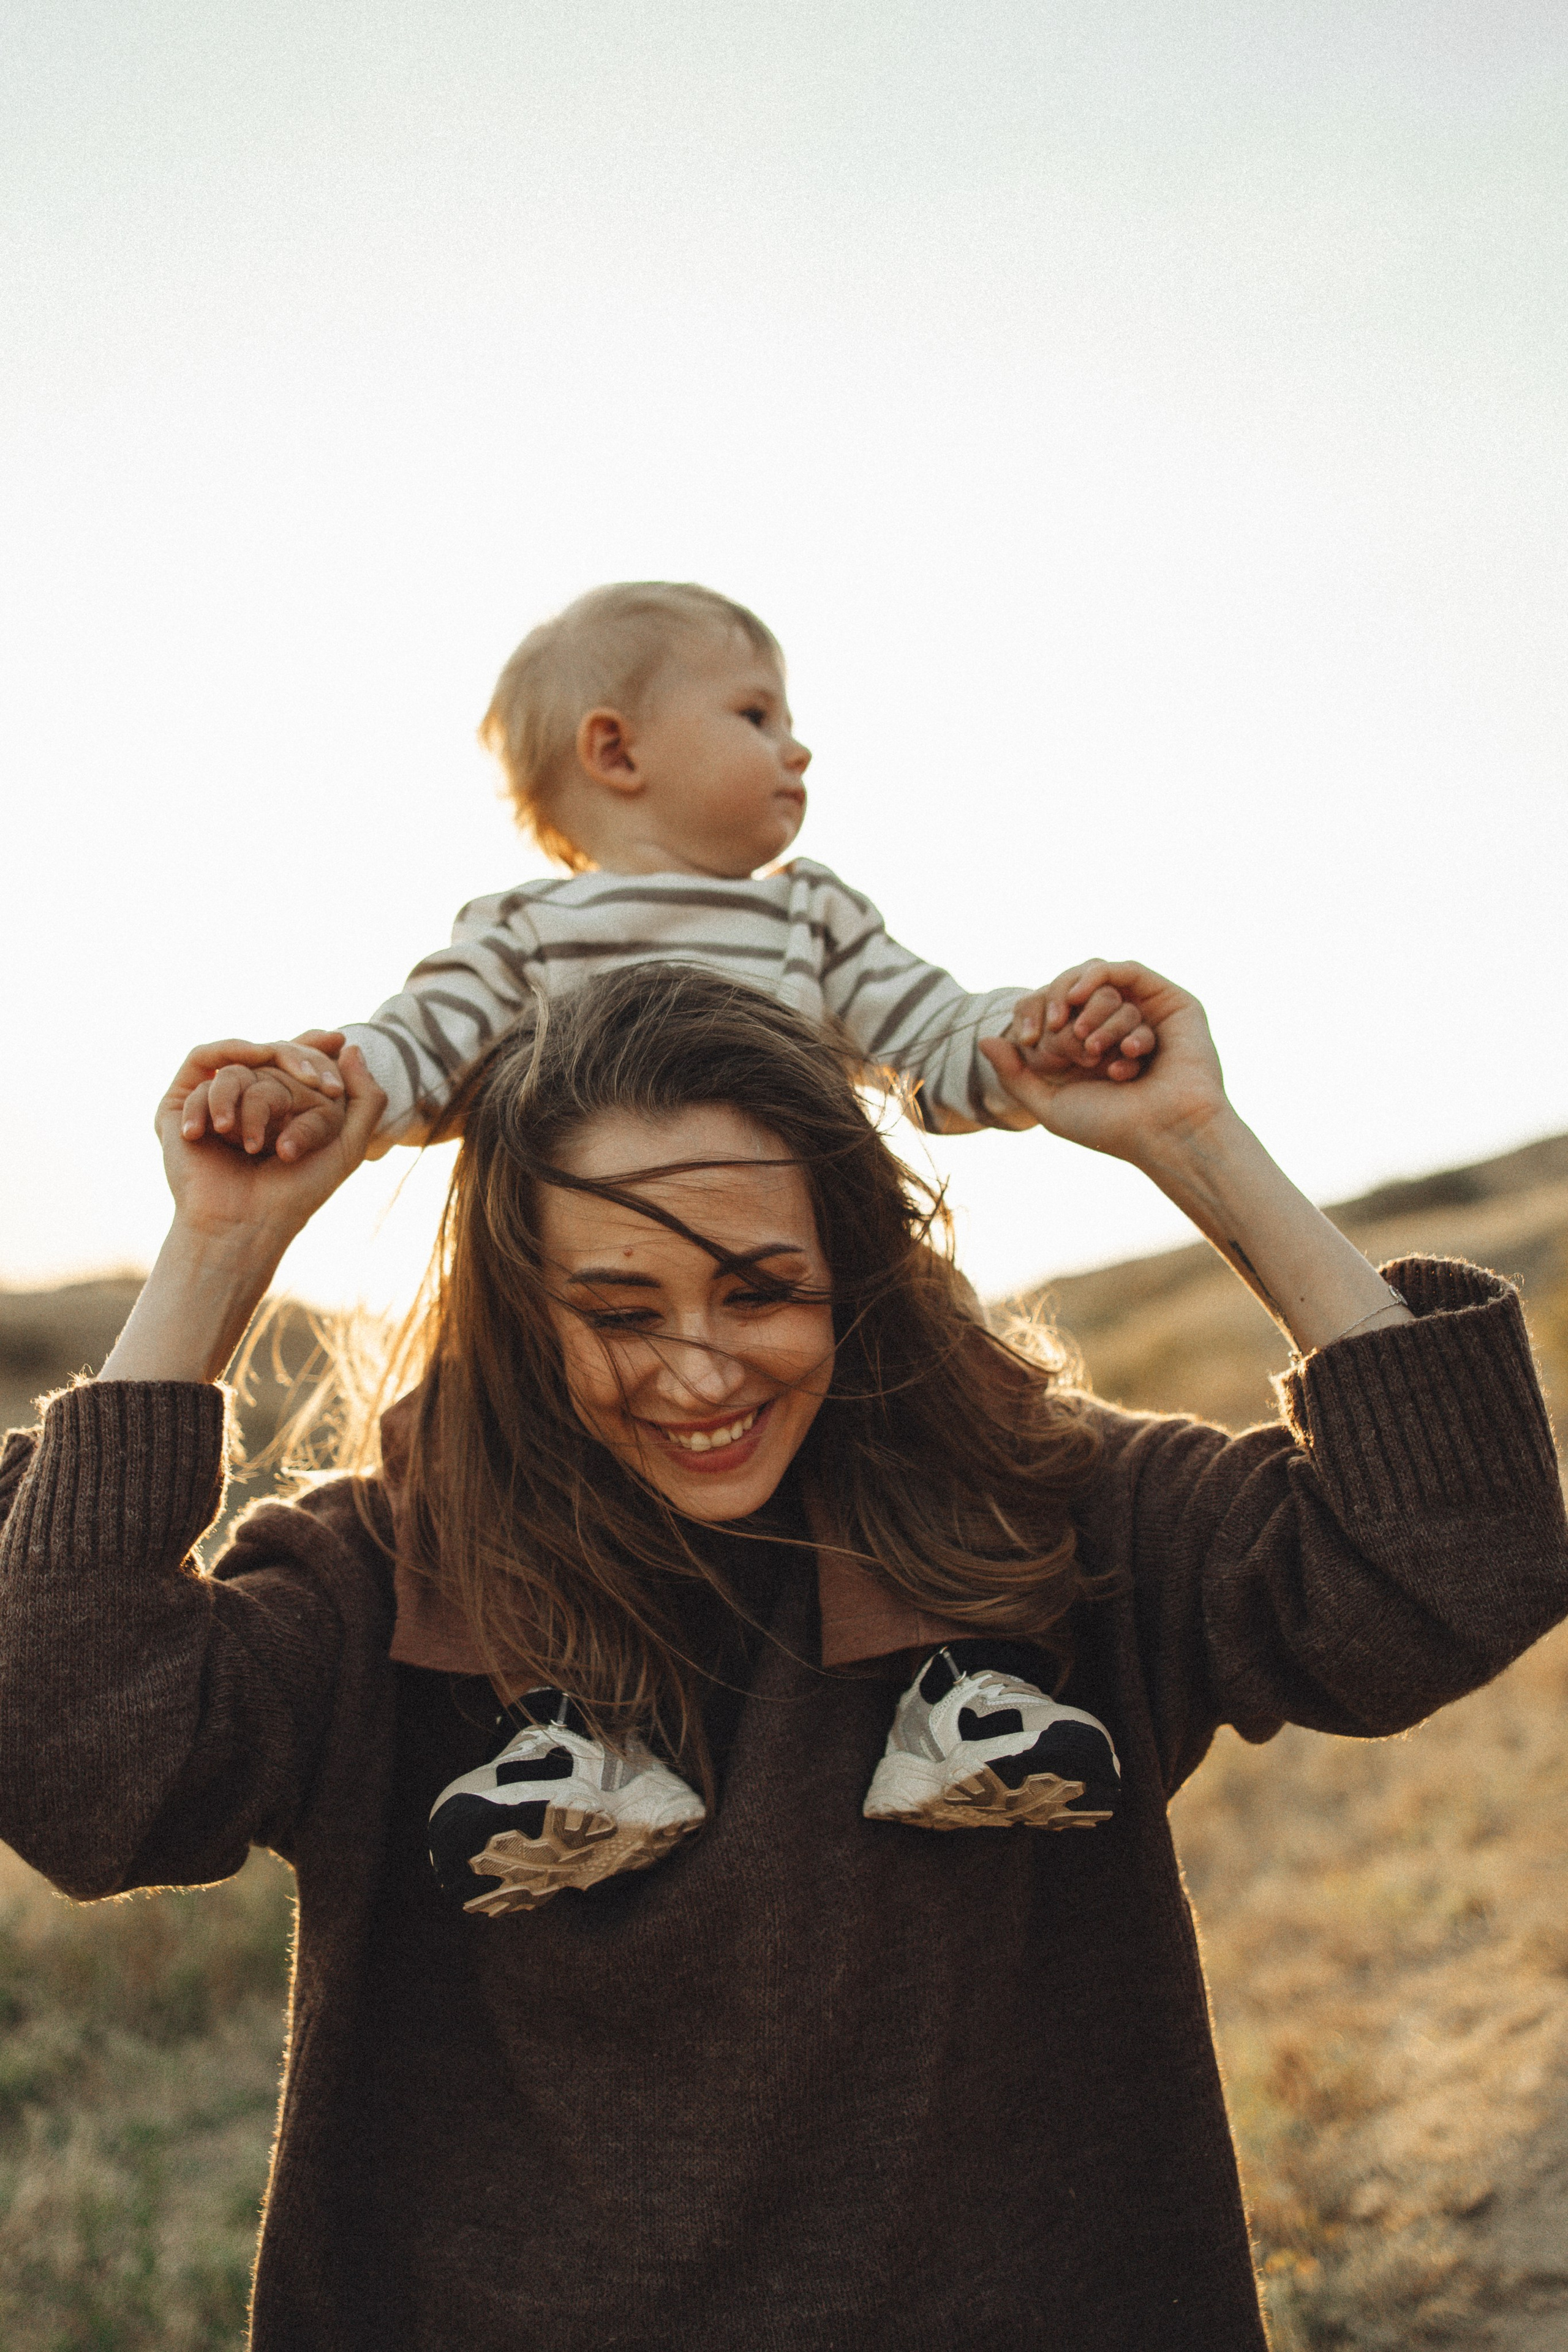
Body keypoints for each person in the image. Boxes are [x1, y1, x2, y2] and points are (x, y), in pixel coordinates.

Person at [1, 961, 1563, 2351]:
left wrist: (1193, 1146)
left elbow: (1450, 1568)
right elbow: (84, 1778)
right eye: (618, 1309)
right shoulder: (370, 1579)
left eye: (762, 1290)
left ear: (858, 1271)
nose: (697, 1371)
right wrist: (219, 1248)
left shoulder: (1060, 1515)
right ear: (521, 1309)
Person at [169, 579, 1161, 1887]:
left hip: (817, 1285)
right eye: (756, 712)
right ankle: (575, 1741)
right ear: (614, 752)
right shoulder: (520, 934)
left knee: (944, 1390)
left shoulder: (812, 917)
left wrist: (1028, 1035)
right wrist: (305, 1088)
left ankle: (969, 1694)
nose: (795, 748)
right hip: (574, 1309)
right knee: (459, 1450)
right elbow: (406, 1053)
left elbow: (931, 1037)